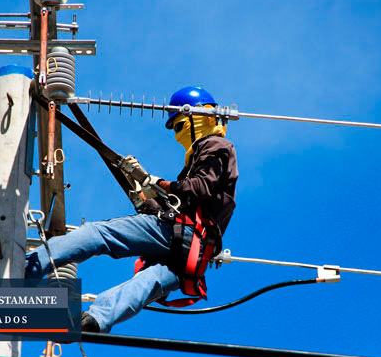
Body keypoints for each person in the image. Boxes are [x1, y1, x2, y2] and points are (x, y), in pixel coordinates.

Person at [25, 86, 238, 333]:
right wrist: (146, 197)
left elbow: (199, 187)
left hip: (182, 231)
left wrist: (157, 183)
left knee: (99, 234)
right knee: (147, 283)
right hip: (194, 253)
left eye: (179, 126)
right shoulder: (212, 160)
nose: (178, 135)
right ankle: (94, 321)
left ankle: (25, 269)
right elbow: (192, 199)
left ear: (199, 116)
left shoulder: (216, 145)